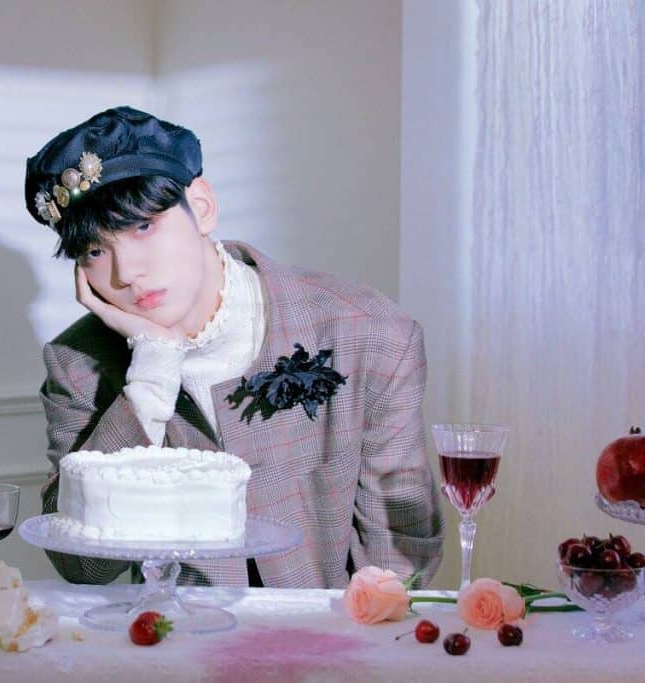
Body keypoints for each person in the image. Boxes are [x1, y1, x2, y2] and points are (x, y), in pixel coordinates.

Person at [24, 106, 443, 588]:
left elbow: (400, 553)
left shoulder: (367, 333)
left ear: (201, 207)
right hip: (174, 633)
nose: (126, 272)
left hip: (329, 630)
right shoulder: (78, 364)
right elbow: (81, 565)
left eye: (143, 226)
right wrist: (151, 374)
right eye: (95, 251)